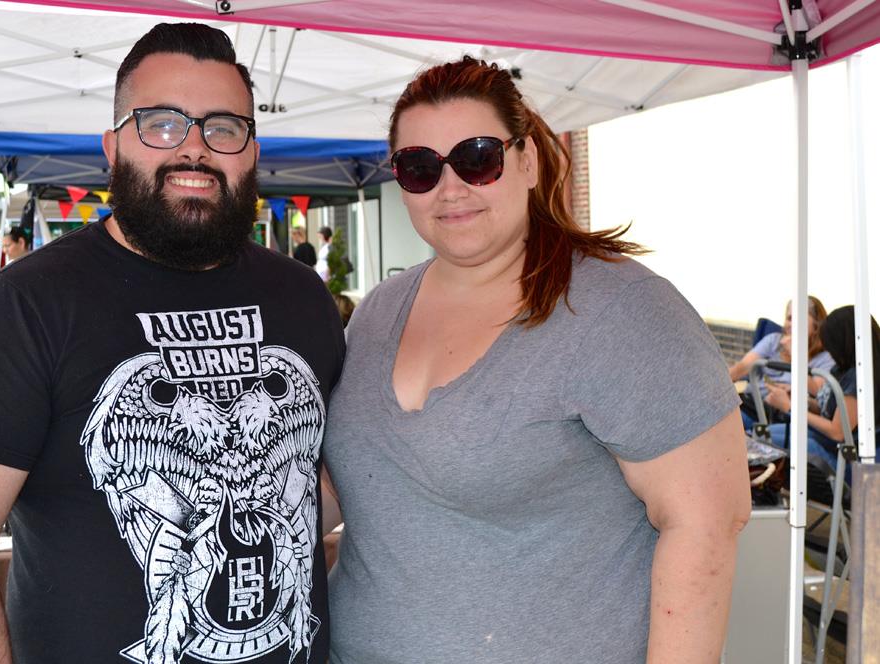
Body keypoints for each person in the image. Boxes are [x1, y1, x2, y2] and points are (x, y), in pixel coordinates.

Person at [0, 23, 343, 664]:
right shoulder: (28, 304)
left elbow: (321, 486)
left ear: (251, 152)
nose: (194, 149)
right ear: (113, 147)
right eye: (162, 123)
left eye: (223, 127)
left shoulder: (303, 298)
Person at [322, 56, 750, 663]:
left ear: (526, 160)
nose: (451, 188)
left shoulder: (619, 310)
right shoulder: (376, 312)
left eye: (477, 158)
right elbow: (359, 481)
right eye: (420, 168)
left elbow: (708, 525)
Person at [765, 305, 880, 474]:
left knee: (764, 439)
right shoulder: (843, 368)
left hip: (843, 458)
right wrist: (799, 400)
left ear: (844, 343)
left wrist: (791, 408)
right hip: (828, 443)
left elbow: (838, 431)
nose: (827, 351)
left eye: (830, 346)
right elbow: (832, 410)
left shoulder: (859, 377)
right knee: (762, 433)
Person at [728, 297, 833, 428]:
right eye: (789, 319)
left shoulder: (825, 357)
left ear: (817, 325)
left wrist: (795, 355)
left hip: (786, 417)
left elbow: (817, 391)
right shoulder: (774, 341)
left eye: (799, 318)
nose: (791, 324)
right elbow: (742, 367)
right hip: (752, 404)